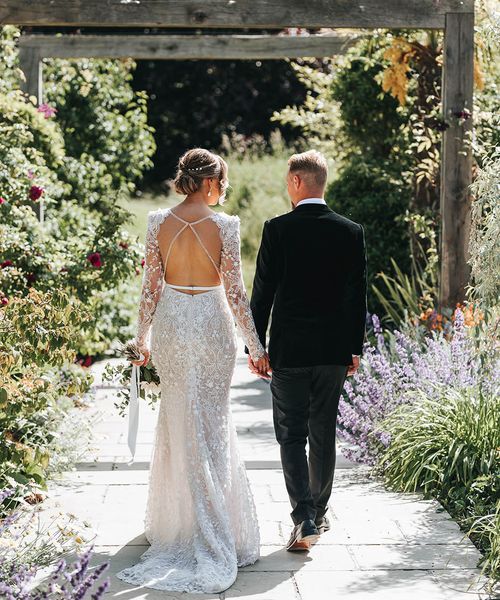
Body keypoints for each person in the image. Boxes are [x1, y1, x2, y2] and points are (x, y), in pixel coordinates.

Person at [115, 148, 270, 593]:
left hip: (171, 324)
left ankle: (177, 524)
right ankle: (212, 525)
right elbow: (236, 293)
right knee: (212, 421)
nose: (224, 191)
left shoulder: (156, 221)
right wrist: (256, 347)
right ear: (209, 182)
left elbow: (150, 287)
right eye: (222, 183)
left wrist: (142, 339)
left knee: (178, 419)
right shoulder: (226, 226)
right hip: (210, 325)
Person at [247, 150, 367, 552]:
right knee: (322, 432)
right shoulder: (350, 231)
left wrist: (255, 346)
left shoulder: (277, 229)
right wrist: (354, 348)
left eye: (287, 181)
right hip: (333, 350)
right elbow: (356, 296)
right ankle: (318, 510)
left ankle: (304, 517)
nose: (287, 187)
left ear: (298, 182)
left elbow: (261, 293)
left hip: (289, 351)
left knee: (290, 435)